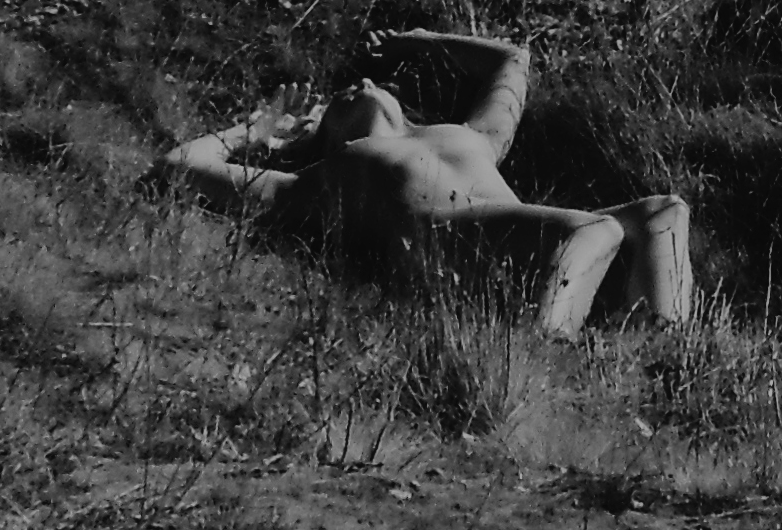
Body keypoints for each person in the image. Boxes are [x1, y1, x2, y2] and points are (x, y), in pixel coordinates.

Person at [168, 27, 692, 338]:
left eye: (370, 80)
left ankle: (666, 348)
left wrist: (417, 42)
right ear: (316, 135)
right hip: (464, 248)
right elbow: (180, 165)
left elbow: (513, 61)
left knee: (664, 211)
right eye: (339, 98)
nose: (361, 83)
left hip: (549, 246)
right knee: (593, 229)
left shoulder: (470, 135)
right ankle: (545, 348)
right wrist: (253, 131)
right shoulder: (321, 178)